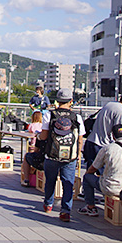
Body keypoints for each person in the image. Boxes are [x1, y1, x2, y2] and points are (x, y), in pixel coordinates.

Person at [38, 88, 85, 222]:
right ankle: (65, 211)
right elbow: (80, 138)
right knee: (68, 183)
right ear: (71, 101)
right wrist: (78, 155)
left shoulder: (49, 115)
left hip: (51, 154)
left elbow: (44, 135)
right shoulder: (77, 117)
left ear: (57, 101)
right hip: (70, 156)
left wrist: (38, 137)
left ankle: (48, 204)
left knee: (50, 181)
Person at [77, 124, 122, 217]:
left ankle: (90, 207)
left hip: (112, 187)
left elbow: (93, 167)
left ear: (113, 136)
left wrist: (89, 173)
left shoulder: (107, 148)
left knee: (87, 177)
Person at [83, 90, 122, 170]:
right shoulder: (121, 111)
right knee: (102, 173)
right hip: (102, 144)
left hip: (91, 141)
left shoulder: (109, 104)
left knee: (90, 171)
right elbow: (117, 132)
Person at [20, 110, 44, 187]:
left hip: (39, 156)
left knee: (28, 156)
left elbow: (36, 150)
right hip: (53, 160)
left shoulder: (32, 126)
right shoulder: (42, 126)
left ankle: (26, 179)